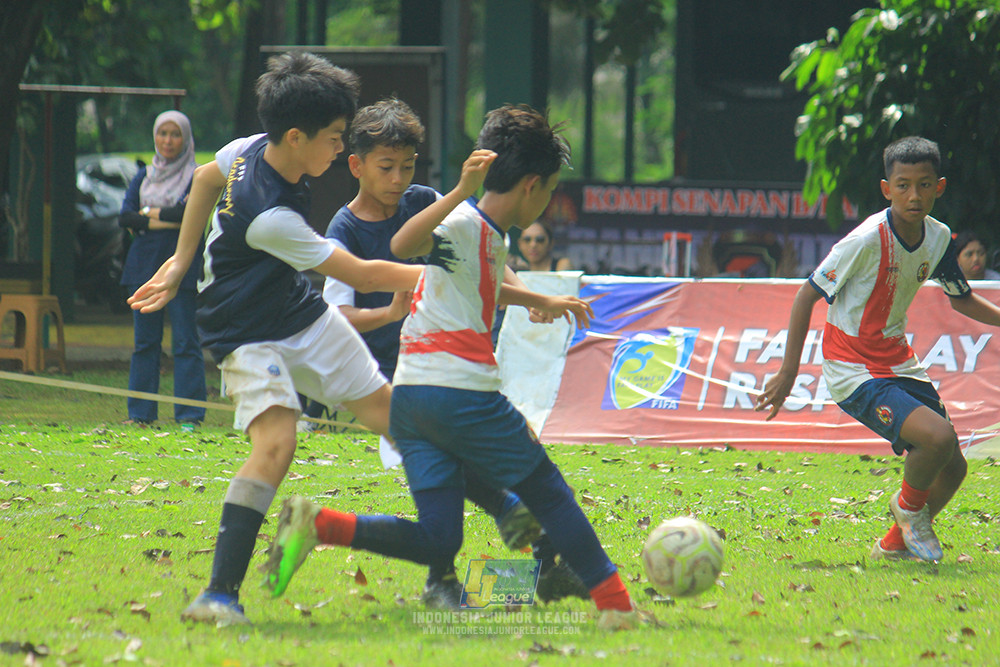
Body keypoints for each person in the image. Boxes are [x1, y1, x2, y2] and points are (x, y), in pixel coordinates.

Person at [263, 105, 640, 631]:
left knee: (441, 536)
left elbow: (471, 279)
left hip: (414, 398)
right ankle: (617, 606)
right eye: (551, 189)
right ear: (532, 185)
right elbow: (402, 246)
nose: (549, 200)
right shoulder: (464, 219)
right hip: (461, 390)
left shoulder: (485, 231)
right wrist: (461, 190)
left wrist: (539, 298)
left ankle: (321, 524)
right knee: (548, 493)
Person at [128, 52, 424, 626]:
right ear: (296, 136)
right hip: (242, 333)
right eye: (336, 138)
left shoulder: (249, 149)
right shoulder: (272, 217)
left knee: (401, 422)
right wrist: (455, 283)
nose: (342, 149)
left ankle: (444, 575)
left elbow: (204, 177)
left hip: (297, 312)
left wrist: (181, 258)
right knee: (277, 443)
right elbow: (362, 275)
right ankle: (218, 596)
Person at [310, 97, 587, 604]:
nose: (399, 178)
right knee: (481, 473)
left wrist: (530, 297)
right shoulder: (344, 231)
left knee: (465, 483)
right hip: (394, 377)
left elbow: (481, 254)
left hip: (451, 366)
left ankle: (490, 574)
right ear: (357, 166)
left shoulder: (426, 202)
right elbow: (339, 316)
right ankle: (526, 558)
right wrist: (390, 315)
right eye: (386, 167)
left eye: (408, 166)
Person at [755, 136, 1000, 563]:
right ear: (887, 189)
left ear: (938, 187)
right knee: (937, 438)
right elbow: (804, 297)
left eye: (924, 185)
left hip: (897, 360)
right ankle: (908, 510)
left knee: (955, 468)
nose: (914, 195)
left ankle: (894, 545)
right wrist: (789, 372)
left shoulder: (939, 237)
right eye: (903, 185)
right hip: (852, 367)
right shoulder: (866, 240)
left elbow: (959, 297)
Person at [117, 110, 207, 426]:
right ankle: (140, 414)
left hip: (180, 266)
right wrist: (160, 217)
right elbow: (126, 216)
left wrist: (148, 216)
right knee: (145, 344)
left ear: (186, 138)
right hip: (142, 267)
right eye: (162, 133)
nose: (168, 141)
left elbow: (184, 215)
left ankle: (190, 416)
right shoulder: (144, 175)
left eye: (175, 134)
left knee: (185, 342)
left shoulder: (198, 176)